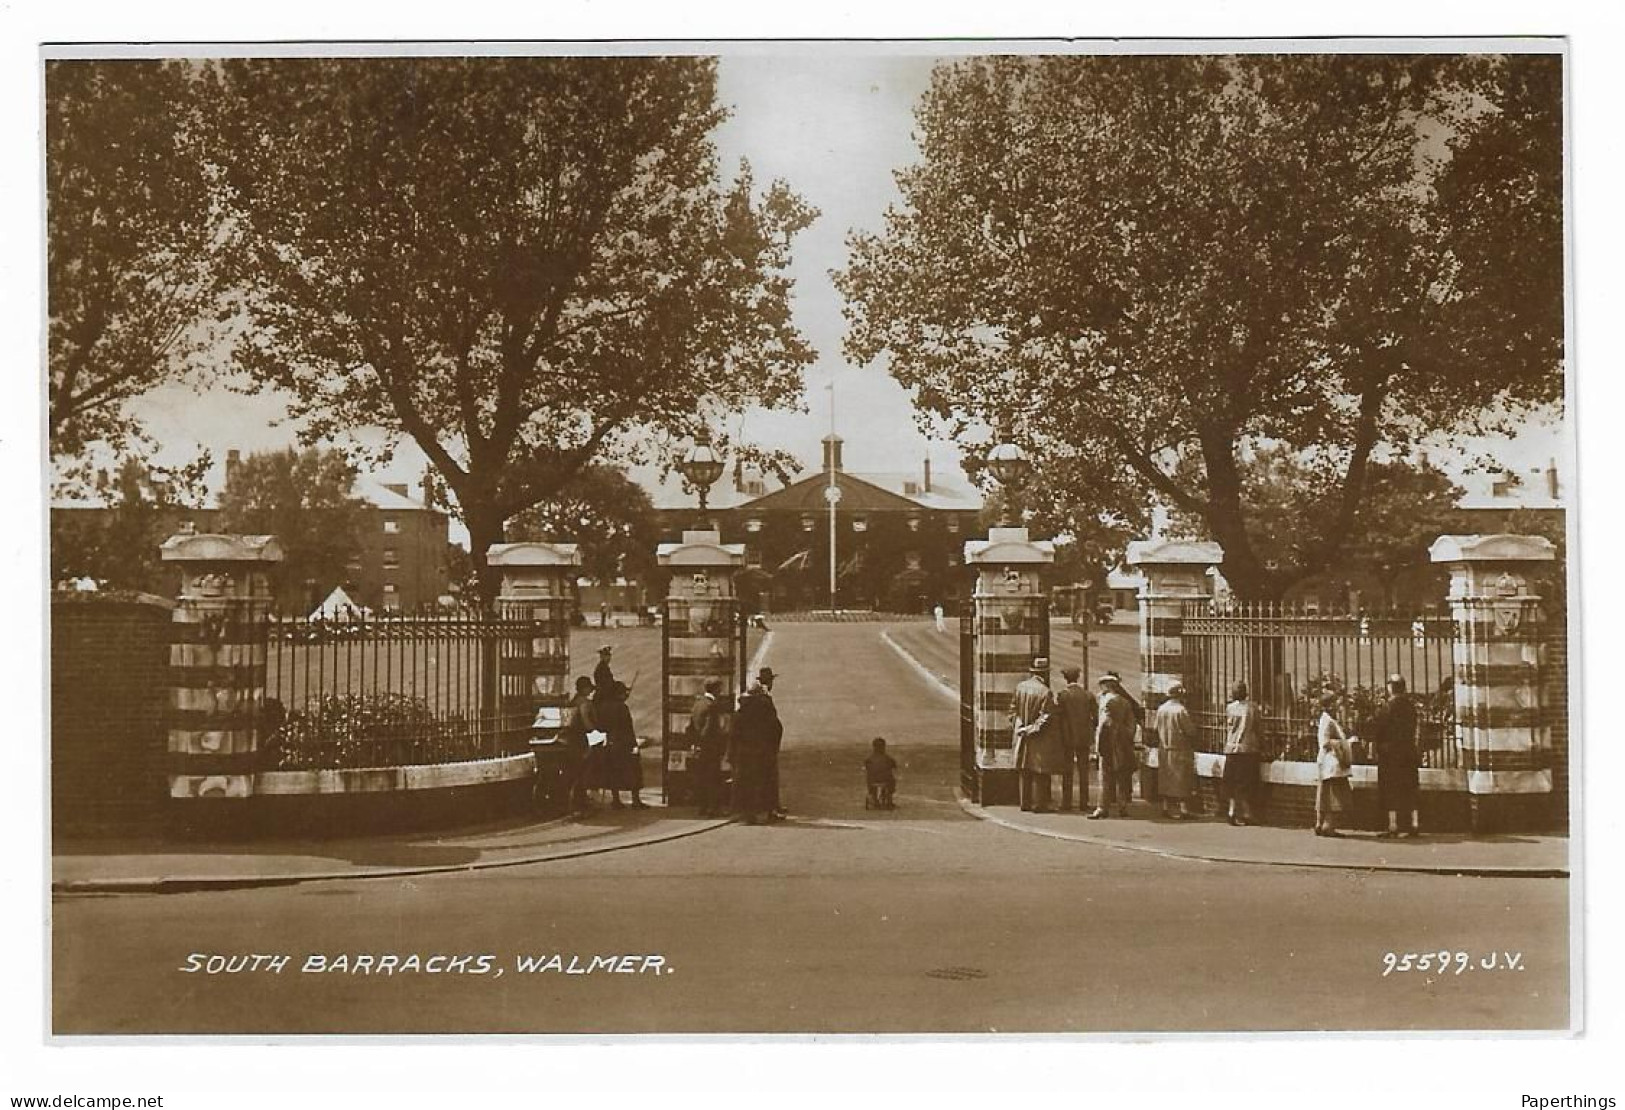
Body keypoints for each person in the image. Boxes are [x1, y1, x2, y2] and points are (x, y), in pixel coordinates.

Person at [1372, 674, 1422, 838]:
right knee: (1410, 788)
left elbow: (1379, 731)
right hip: (1408, 752)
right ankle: (1414, 823)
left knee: (1391, 789)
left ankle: (1393, 825)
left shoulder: (1387, 708)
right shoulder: (1411, 707)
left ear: (1390, 687)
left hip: (1391, 754)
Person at [1010, 657, 1059, 813]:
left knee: (1024, 770)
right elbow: (1046, 717)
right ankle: (1040, 804)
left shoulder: (1020, 687)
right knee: (1040, 771)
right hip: (1039, 737)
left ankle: (1024, 803)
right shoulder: (1045, 692)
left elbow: (1012, 710)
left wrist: (1019, 727)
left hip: (1021, 734)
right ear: (1044, 674)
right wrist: (1031, 729)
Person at [730, 676, 781, 824]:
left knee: (744, 784)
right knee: (763, 782)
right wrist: (773, 747)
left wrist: (732, 754)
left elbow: (733, 735)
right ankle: (763, 812)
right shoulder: (766, 710)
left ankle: (745, 814)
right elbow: (776, 728)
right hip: (762, 752)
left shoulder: (740, 712)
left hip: (743, 754)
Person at [1091, 673, 1138, 819]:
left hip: (1107, 743)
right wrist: (1127, 737)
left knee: (1104, 776)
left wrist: (1097, 747)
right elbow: (1132, 724)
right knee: (1122, 776)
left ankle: (1102, 807)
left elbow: (1102, 725)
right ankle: (1122, 806)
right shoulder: (1124, 702)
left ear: (1106, 686)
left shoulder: (1106, 702)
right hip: (1122, 743)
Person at [1054, 666, 1098, 812]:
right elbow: (1096, 717)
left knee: (1067, 771)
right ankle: (1084, 803)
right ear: (1077, 678)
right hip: (1084, 737)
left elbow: (1058, 718)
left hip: (1067, 738)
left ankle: (1066, 802)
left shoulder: (1063, 695)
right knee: (1084, 771)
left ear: (1066, 679)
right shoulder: (1088, 695)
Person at [1153, 682, 1198, 820]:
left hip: (1164, 748)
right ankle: (1183, 809)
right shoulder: (1181, 710)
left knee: (1166, 778)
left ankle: (1166, 807)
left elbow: (1155, 728)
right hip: (1179, 748)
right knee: (1181, 779)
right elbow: (1190, 730)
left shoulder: (1161, 709)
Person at [599, 680, 645, 810]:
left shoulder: (604, 707)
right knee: (633, 770)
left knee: (613, 772)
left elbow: (602, 726)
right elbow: (627, 727)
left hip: (610, 742)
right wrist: (634, 744)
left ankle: (616, 800)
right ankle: (635, 800)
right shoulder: (622, 707)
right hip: (624, 743)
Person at [1223, 681, 1263, 826]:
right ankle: (1247, 813)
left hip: (1231, 748)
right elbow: (1258, 728)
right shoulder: (1253, 707)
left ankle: (1232, 811)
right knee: (1245, 783)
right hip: (1248, 748)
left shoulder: (1229, 708)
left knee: (1231, 781)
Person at [687, 678, 730, 818]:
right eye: (720, 689)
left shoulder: (698, 704)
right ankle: (713, 808)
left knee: (703, 778)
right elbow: (710, 729)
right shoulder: (712, 706)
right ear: (716, 689)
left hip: (700, 747)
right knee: (714, 778)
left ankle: (703, 807)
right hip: (711, 747)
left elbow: (691, 728)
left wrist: (695, 743)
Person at [1315, 691, 1354, 838]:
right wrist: (1343, 744)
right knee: (1334, 796)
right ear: (1330, 705)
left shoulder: (1327, 719)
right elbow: (1325, 742)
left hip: (1327, 763)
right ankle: (1328, 826)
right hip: (1332, 763)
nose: (1339, 706)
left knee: (1325, 793)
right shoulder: (1329, 721)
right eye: (1337, 703)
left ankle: (1320, 823)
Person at [561, 675, 598, 812]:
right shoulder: (585, 703)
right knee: (582, 771)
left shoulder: (573, 701)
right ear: (585, 688)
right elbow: (587, 723)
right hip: (580, 739)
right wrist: (594, 730)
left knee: (572, 770)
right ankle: (579, 801)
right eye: (589, 688)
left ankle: (569, 801)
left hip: (569, 739)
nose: (590, 691)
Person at [755, 666, 788, 820]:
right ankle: (771, 808)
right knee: (770, 777)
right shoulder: (764, 697)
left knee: (769, 777)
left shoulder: (762, 695)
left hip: (764, 744)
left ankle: (773, 806)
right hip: (767, 745)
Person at [865, 737, 898, 809]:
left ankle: (874, 798)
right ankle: (889, 801)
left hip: (872, 782)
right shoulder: (887, 758)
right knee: (892, 780)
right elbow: (894, 766)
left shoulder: (869, 759)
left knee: (870, 777)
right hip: (885, 781)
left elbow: (867, 768)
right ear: (883, 747)